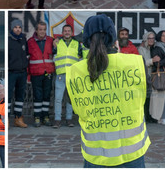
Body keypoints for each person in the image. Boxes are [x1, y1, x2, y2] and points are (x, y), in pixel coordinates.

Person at [65, 14, 151, 167]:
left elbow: (73, 106)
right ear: (113, 38)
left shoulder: (75, 72)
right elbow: (145, 96)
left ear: (86, 40)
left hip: (95, 158)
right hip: (133, 155)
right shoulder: (136, 63)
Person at [53, 24, 82, 128]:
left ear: (72, 32)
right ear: (62, 32)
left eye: (68, 31)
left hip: (72, 75)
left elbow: (80, 58)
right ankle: (57, 120)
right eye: (65, 31)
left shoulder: (76, 43)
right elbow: (52, 54)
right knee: (58, 98)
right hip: (60, 74)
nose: (67, 32)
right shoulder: (57, 42)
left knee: (70, 99)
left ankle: (69, 119)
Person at [28, 21, 55, 127]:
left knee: (47, 95)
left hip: (47, 72)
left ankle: (46, 116)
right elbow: (27, 58)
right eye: (40, 29)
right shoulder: (30, 42)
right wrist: (28, 75)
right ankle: (37, 117)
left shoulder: (51, 40)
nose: (42, 31)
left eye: (44, 29)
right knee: (37, 96)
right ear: (36, 30)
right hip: (35, 73)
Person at [8, 19, 29, 128]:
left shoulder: (23, 39)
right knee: (8, 96)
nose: (18, 29)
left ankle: (18, 118)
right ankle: (6, 119)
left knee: (20, 96)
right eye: (16, 27)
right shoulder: (8, 41)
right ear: (12, 28)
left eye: (19, 27)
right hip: (11, 72)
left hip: (22, 72)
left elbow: (27, 54)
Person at [138, 31, 159, 123]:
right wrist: (152, 60)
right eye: (149, 38)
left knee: (151, 97)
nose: (151, 40)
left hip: (153, 76)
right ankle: (145, 116)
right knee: (145, 98)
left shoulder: (154, 48)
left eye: (153, 38)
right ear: (145, 39)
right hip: (144, 76)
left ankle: (150, 116)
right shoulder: (141, 49)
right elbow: (140, 63)